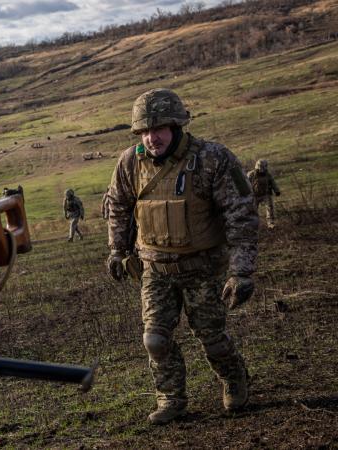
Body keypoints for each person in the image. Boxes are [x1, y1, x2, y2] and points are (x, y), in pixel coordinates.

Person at [103, 88, 258, 425]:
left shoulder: (212, 159)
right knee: (155, 339)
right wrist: (118, 249)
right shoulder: (130, 161)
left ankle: (234, 378)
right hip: (155, 268)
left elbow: (240, 214)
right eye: (144, 130)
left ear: (177, 126)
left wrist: (241, 271)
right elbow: (117, 205)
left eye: (158, 129)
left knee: (213, 338)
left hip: (204, 268)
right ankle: (171, 398)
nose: (151, 137)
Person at [247, 159, 281, 228]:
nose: (261, 169)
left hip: (266, 194)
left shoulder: (267, 174)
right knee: (252, 210)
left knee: (270, 207)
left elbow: (272, 182)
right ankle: (252, 224)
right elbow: (246, 184)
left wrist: (276, 190)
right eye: (260, 167)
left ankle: (271, 223)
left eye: (263, 167)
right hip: (254, 195)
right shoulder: (251, 174)